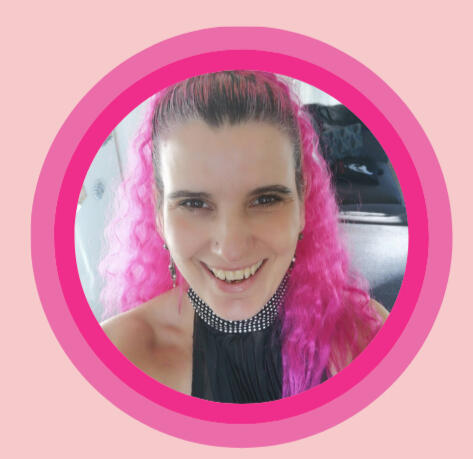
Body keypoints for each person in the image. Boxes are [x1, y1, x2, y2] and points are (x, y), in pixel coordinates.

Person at [100, 71, 388, 403]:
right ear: (159, 214)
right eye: (194, 203)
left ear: (302, 201)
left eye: (265, 200)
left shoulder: (365, 335)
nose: (232, 249)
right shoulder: (116, 360)